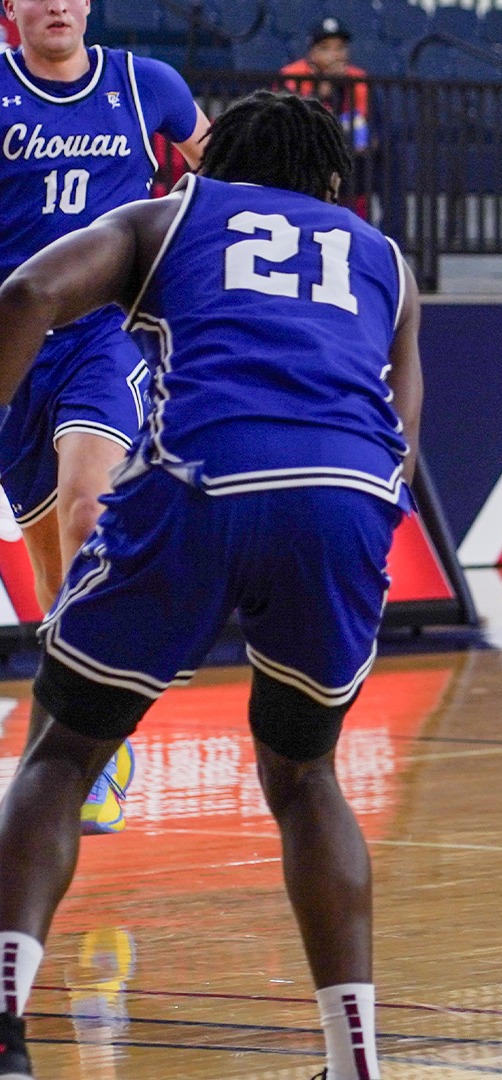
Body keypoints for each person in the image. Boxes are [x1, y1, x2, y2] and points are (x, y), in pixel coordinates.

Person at [0, 89, 421, 1080]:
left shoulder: (172, 212)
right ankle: (352, 1062)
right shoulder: (384, 259)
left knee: (62, 754)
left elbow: (25, 297)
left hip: (209, 475)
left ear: (208, 164)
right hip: (347, 498)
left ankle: (4, 1028)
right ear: (330, 184)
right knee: (306, 776)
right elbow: (403, 429)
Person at [1, 0, 211, 833]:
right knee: (55, 578)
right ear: (10, 9)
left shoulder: (145, 83)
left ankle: (105, 734)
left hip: (103, 333)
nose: (56, 4)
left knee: (92, 508)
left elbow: (221, 165)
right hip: (14, 342)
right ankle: (80, 712)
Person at [281, 17, 370, 155]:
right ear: (311, 53)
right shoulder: (292, 75)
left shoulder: (358, 78)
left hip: (349, 159)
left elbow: (374, 130)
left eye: (340, 48)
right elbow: (285, 123)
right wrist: (320, 94)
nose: (335, 55)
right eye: (325, 48)